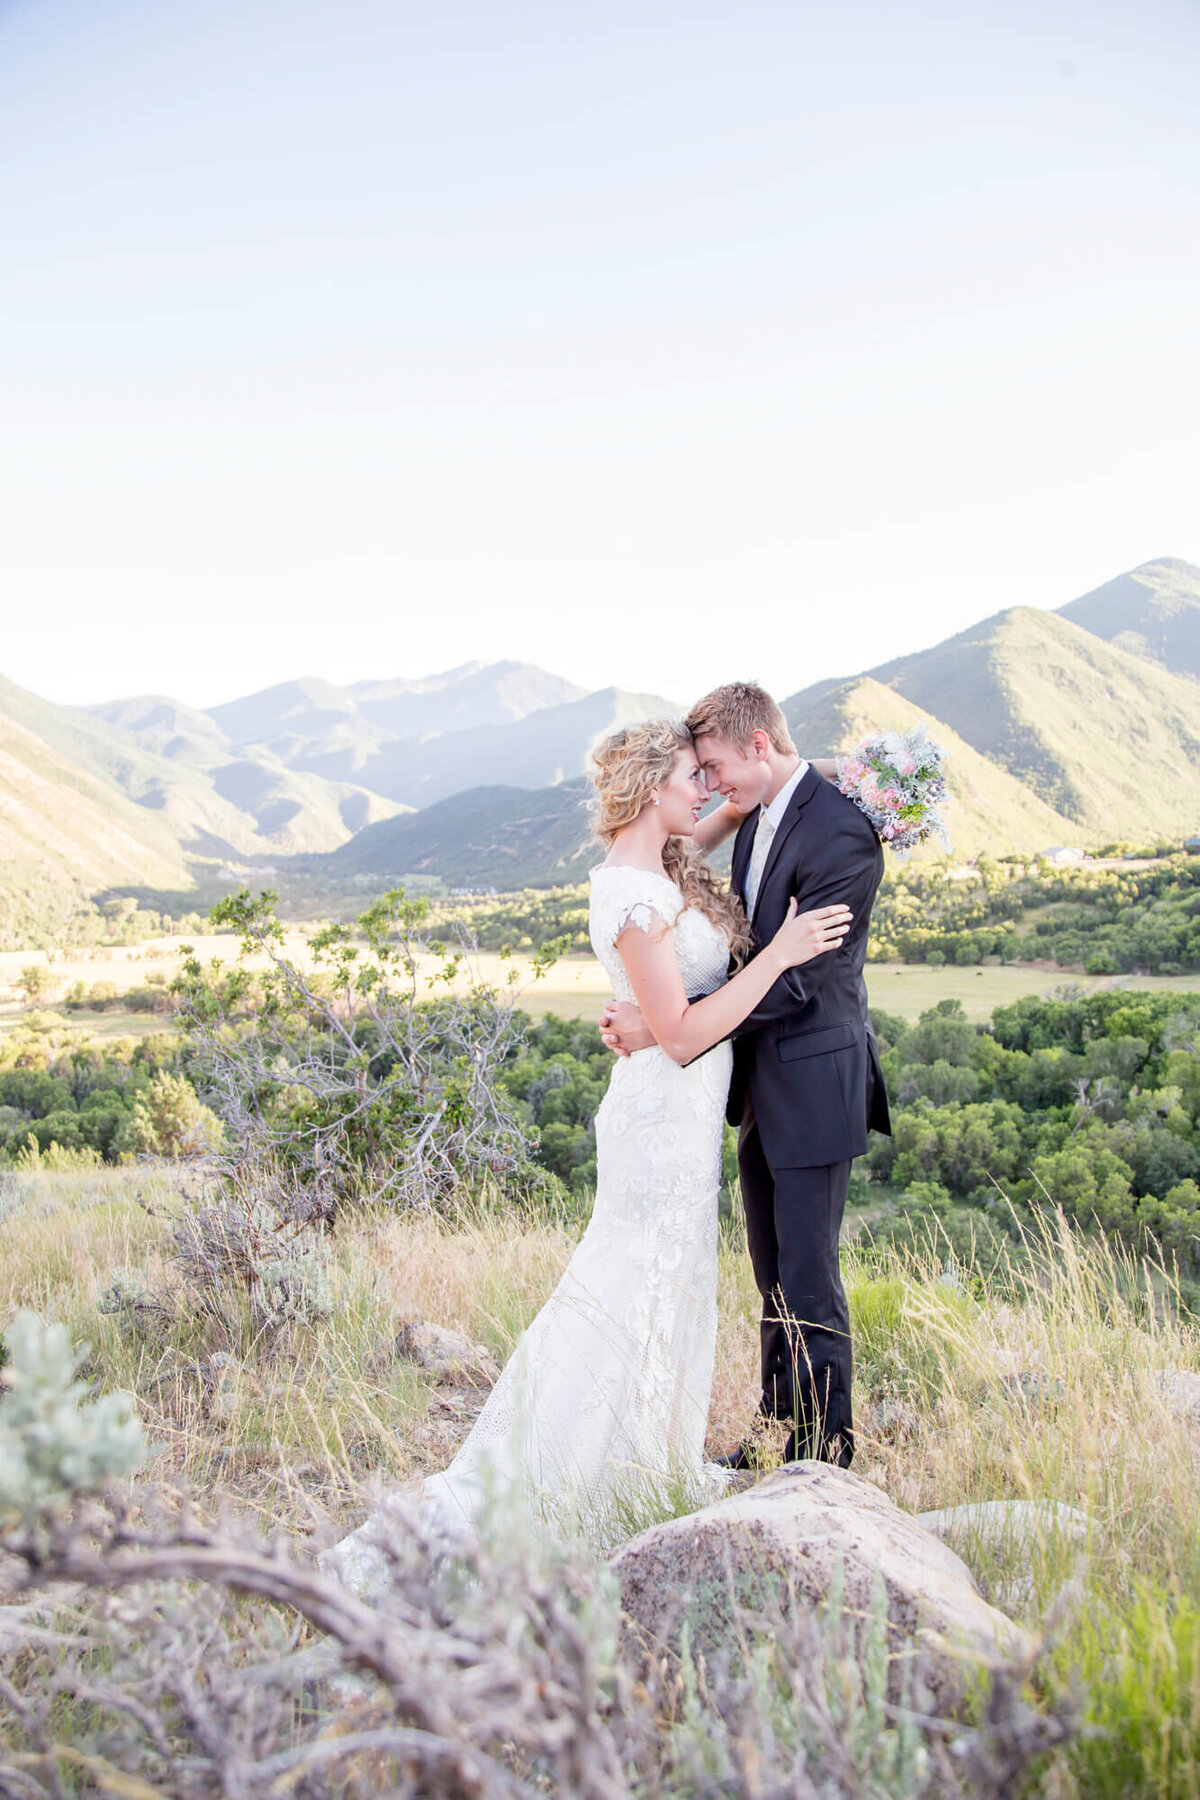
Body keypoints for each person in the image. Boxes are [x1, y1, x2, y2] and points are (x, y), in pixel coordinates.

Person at [320, 719, 850, 1588]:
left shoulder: (663, 862)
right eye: (691, 777)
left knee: (669, 1286)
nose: (706, 792)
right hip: (657, 1120)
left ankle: (642, 1462)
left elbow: (759, 791)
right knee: (622, 1285)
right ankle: (571, 1474)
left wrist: (838, 768)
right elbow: (679, 1036)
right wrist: (781, 953)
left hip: (683, 1123)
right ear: (650, 790)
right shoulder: (631, 897)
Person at [600, 683, 891, 1470]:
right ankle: (774, 1438)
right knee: (773, 1277)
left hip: (814, 1083)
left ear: (758, 746)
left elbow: (800, 978)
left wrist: (672, 1021)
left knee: (809, 1277)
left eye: (719, 766)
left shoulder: (842, 836)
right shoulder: (759, 811)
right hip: (760, 1085)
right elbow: (751, 947)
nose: (712, 784)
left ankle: (825, 1460)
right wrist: (668, 1018)